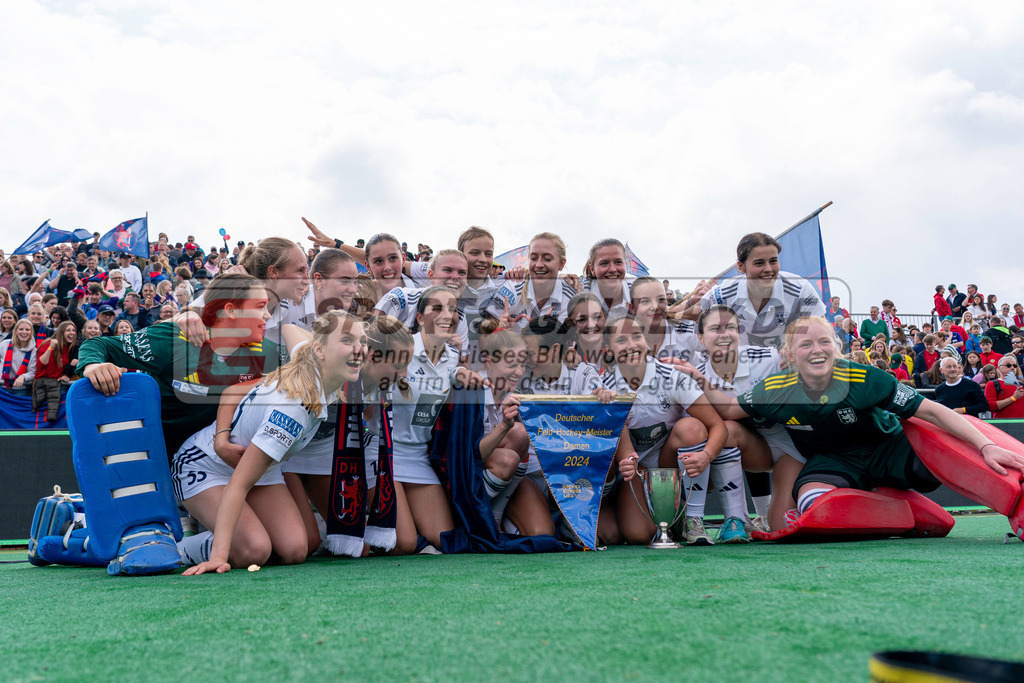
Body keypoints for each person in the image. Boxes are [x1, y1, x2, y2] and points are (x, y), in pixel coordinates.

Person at [705, 316, 1024, 528]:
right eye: (805, 344)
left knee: (938, 454)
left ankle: (1018, 502)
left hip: (888, 449)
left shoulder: (864, 378)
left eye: (824, 342)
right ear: (788, 355)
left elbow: (933, 411)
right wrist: (691, 378)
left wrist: (987, 446)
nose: (817, 350)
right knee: (811, 503)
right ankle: (900, 510)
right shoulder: (775, 390)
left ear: (836, 347)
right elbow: (730, 409)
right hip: (834, 461)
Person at [177, 311, 366, 575]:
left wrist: (329, 341)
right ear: (320, 351)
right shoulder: (293, 409)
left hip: (257, 469)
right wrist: (219, 557)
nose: (359, 350)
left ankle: (238, 531)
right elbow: (238, 484)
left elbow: (289, 328)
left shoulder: (312, 364)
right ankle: (178, 547)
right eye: (347, 340)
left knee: (294, 549)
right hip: (205, 466)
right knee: (255, 550)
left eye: (362, 341)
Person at [78, 273, 282, 455]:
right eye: (260, 306)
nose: (267, 315)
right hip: (150, 453)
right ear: (231, 311)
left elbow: (298, 360)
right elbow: (98, 344)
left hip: (211, 460)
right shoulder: (176, 338)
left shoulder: (266, 351)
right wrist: (93, 365)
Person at [604, 314, 730, 545]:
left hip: (669, 462)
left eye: (636, 337)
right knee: (640, 535)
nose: (631, 345)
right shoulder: (606, 388)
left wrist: (706, 455)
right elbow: (625, 452)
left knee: (691, 427)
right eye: (621, 340)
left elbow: (717, 426)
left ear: (647, 341)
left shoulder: (672, 377)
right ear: (609, 349)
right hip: (637, 470)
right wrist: (627, 462)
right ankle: (664, 517)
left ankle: (693, 518)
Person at [682, 305, 807, 533]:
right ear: (700, 337)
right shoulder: (695, 373)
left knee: (781, 528)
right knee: (726, 429)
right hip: (754, 449)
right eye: (715, 329)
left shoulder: (769, 358)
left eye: (730, 327)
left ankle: (764, 513)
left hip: (791, 448)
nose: (724, 334)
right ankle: (737, 520)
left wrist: (795, 361)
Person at [390, 286, 487, 554]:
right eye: (438, 308)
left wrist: (460, 372)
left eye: (453, 309)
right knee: (405, 543)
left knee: (445, 540)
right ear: (420, 318)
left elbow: (452, 373)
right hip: (383, 454)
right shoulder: (400, 349)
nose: (448, 315)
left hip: (418, 457)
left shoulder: (453, 357)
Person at [476, 326, 555, 537]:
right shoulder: (470, 391)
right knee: (510, 453)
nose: (519, 372)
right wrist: (504, 426)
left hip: (502, 479)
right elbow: (466, 458)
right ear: (489, 361)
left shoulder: (515, 394)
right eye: (511, 364)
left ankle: (496, 516)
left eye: (522, 364)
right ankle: (474, 515)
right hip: (459, 478)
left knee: (542, 534)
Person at [701, 232, 825, 348]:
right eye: (759, 263)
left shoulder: (801, 289)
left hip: (786, 361)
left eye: (773, 261)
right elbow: (692, 318)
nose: (768, 269)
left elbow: (823, 331)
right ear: (741, 267)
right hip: (740, 361)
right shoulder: (722, 294)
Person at [485, 233, 578, 329]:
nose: (539, 265)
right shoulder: (513, 287)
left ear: (562, 264)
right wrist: (500, 330)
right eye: (534, 258)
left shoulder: (569, 299)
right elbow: (485, 333)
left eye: (547, 259)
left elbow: (566, 338)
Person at [629, 277, 701, 364]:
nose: (655, 307)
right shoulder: (624, 341)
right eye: (645, 301)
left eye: (661, 299)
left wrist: (696, 372)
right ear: (632, 308)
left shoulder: (688, 330)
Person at [33, 321, 78, 421]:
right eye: (68, 330)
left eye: (73, 330)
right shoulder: (49, 343)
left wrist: (66, 375)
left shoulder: (70, 348)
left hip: (57, 384)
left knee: (54, 413)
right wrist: (51, 348)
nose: (72, 333)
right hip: (41, 383)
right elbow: (42, 362)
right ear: (61, 332)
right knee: (36, 408)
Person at [580, 239, 635, 318]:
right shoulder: (578, 292)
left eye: (618, 262)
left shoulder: (639, 293)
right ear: (592, 269)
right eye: (604, 263)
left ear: (626, 265)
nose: (612, 269)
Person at [565, 292, 611, 370]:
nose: (591, 325)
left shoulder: (617, 350)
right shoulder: (564, 359)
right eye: (582, 320)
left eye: (596, 317)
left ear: (605, 318)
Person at [1, 319, 37, 391]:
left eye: (27, 330)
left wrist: (23, 376)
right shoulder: (4, 344)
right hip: (2, 386)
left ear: (31, 332)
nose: (24, 332)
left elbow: (33, 371)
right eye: (21, 329)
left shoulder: (34, 351)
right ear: (16, 331)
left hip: (21, 388)